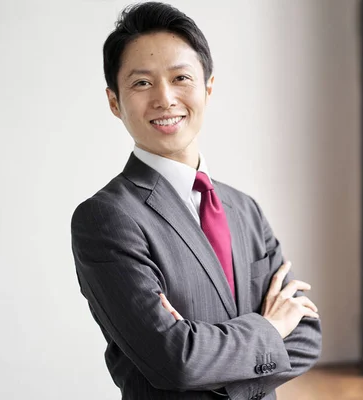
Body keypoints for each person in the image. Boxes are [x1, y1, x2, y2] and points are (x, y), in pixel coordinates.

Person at [70, 3, 322, 399]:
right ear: (114, 102)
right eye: (141, 83)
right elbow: (174, 360)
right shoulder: (105, 218)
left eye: (181, 77)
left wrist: (206, 355)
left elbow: (307, 337)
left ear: (208, 87)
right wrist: (270, 329)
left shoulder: (245, 209)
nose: (165, 98)